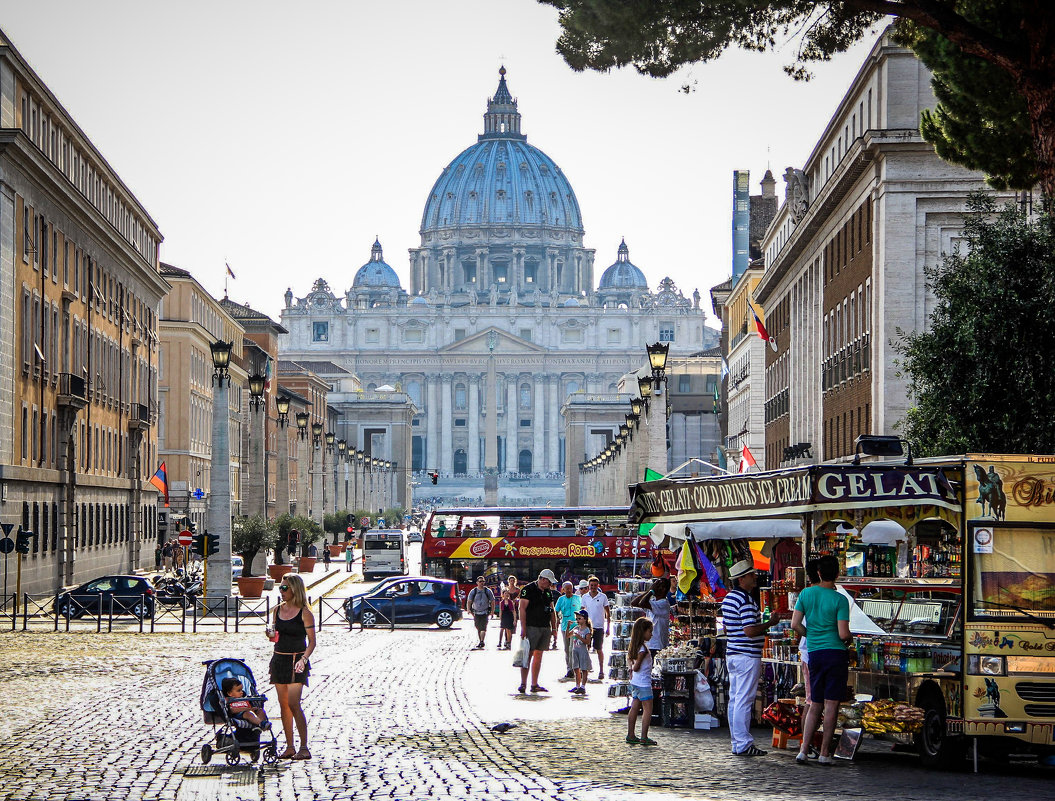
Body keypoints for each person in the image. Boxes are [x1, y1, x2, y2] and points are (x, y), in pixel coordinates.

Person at [792, 554, 851, 766]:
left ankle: (803, 750)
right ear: (837, 574)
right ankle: (825, 752)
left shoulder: (806, 594)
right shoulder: (840, 600)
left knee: (814, 703)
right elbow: (843, 634)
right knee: (831, 704)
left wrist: (812, 635)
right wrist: (850, 639)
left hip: (815, 653)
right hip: (835, 653)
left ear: (818, 573)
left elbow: (795, 624)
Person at [721, 559, 778, 756]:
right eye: (752, 575)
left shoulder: (729, 598)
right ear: (742, 578)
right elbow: (750, 631)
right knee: (743, 700)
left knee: (736, 699)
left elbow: (729, 627)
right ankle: (743, 743)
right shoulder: (744, 600)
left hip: (734, 653)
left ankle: (737, 742)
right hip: (746, 654)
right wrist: (770, 623)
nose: (755, 577)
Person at [269, 573, 316, 761]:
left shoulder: (305, 613)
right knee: (283, 705)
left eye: (285, 588)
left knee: (294, 703)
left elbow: (312, 642)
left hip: (297, 660)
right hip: (279, 659)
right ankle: (290, 746)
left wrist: (303, 659)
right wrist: (271, 635)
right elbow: (276, 636)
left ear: (295, 589)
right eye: (280, 587)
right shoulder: (277, 610)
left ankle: (304, 747)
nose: (281, 591)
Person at [517, 568, 559, 694]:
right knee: (527, 655)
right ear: (543, 579)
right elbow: (522, 609)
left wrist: (554, 627)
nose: (550, 585)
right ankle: (523, 683)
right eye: (549, 582)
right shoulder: (528, 589)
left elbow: (552, 610)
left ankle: (534, 684)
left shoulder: (548, 592)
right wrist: (523, 627)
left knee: (539, 655)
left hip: (545, 627)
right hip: (531, 626)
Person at [626, 617, 657, 745]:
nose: (651, 634)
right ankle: (644, 736)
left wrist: (630, 669)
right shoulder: (643, 649)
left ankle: (631, 734)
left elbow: (630, 661)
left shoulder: (635, 646)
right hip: (643, 682)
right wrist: (633, 668)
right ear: (643, 632)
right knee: (648, 709)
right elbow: (637, 666)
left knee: (634, 707)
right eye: (650, 631)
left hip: (635, 682)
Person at [580, 575, 611, 680]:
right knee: (585, 649)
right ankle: (585, 669)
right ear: (588, 586)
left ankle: (601, 670)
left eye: (595, 585)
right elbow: (582, 611)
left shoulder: (603, 597)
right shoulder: (584, 597)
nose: (593, 587)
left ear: (598, 586)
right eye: (591, 585)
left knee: (599, 649)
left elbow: (607, 612)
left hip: (599, 627)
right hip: (587, 627)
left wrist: (608, 627)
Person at [632, 577, 672, 655]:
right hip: (649, 644)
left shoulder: (664, 603)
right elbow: (634, 603)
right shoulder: (653, 601)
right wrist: (649, 591)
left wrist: (651, 591)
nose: (655, 587)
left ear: (663, 589)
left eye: (657, 586)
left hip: (657, 645)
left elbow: (642, 603)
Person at [554, 581, 583, 679]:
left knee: (574, 649)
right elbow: (556, 611)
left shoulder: (578, 598)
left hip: (576, 628)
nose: (569, 590)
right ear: (563, 589)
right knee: (567, 649)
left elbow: (583, 611)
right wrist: (556, 622)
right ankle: (569, 669)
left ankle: (576, 668)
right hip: (565, 628)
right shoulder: (561, 599)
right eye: (567, 588)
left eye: (570, 588)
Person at [466, 576, 496, 650]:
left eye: (483, 581)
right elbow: (469, 601)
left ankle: (482, 641)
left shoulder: (488, 591)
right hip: (476, 612)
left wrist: (492, 611)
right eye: (480, 581)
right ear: (477, 583)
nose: (482, 583)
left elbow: (492, 601)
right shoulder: (473, 591)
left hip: (485, 612)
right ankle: (480, 640)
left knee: (483, 627)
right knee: (478, 627)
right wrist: (468, 609)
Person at [570, 609, 593, 695]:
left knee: (584, 669)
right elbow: (568, 635)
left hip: (582, 651)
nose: (577, 620)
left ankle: (583, 686)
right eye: (577, 619)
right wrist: (569, 627)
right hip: (575, 649)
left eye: (579, 618)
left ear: (585, 619)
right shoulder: (576, 628)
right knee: (576, 668)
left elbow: (587, 642)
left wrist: (579, 637)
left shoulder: (587, 630)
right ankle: (577, 685)